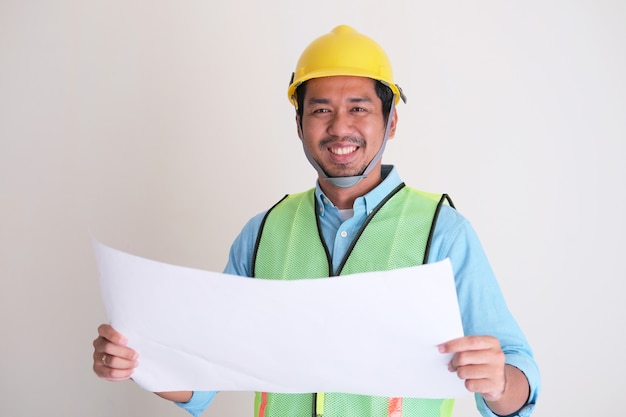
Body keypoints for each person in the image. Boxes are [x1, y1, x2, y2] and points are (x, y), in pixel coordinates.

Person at [93, 25, 540, 417]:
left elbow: (519, 380)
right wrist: (138, 362)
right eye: (321, 109)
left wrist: (499, 382)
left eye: (360, 108)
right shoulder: (262, 233)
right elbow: (207, 375)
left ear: (392, 121)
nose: (339, 127)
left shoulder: (442, 231)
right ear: (300, 123)